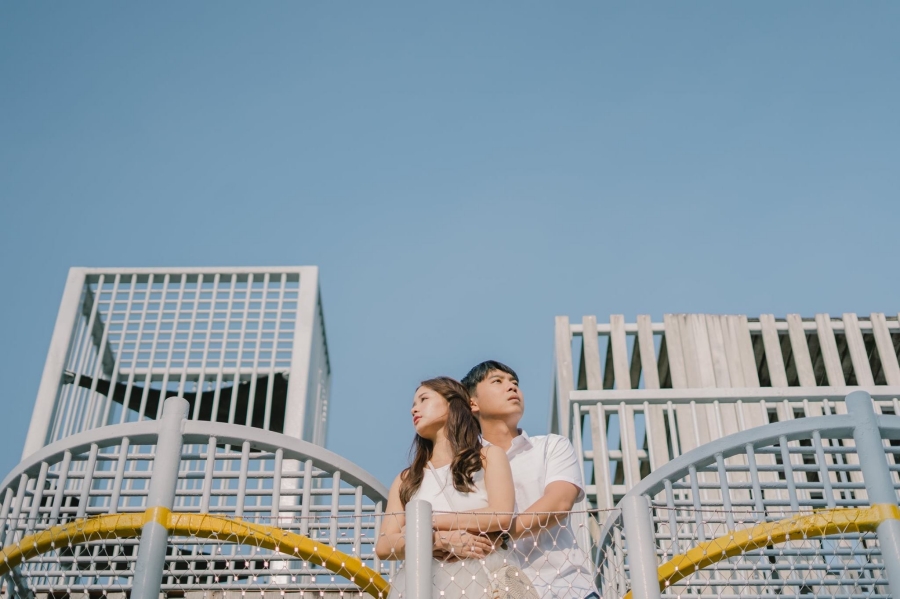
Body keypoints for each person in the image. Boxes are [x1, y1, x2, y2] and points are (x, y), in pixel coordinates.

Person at [461, 361, 599, 599]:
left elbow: (560, 502)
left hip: (566, 587)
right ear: (472, 403)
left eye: (515, 383)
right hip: (493, 591)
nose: (512, 387)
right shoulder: (464, 468)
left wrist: (501, 536)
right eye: (498, 381)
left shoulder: (551, 446)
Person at [375, 377, 518, 599]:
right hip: (423, 584)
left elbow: (501, 515)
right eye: (413, 404)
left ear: (453, 404)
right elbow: (384, 545)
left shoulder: (488, 457)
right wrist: (440, 541)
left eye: (424, 399)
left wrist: (426, 522)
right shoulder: (407, 479)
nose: (414, 408)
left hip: (485, 579)